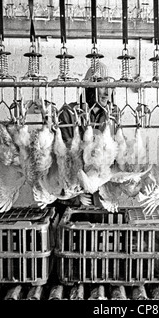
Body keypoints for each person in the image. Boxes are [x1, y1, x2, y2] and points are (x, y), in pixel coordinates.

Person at [54, 62, 118, 210]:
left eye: (109, 88)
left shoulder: (112, 115)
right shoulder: (69, 113)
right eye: (102, 86)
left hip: (99, 193)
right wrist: (74, 194)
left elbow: (112, 157)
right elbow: (63, 158)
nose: (107, 93)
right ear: (89, 88)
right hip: (73, 193)